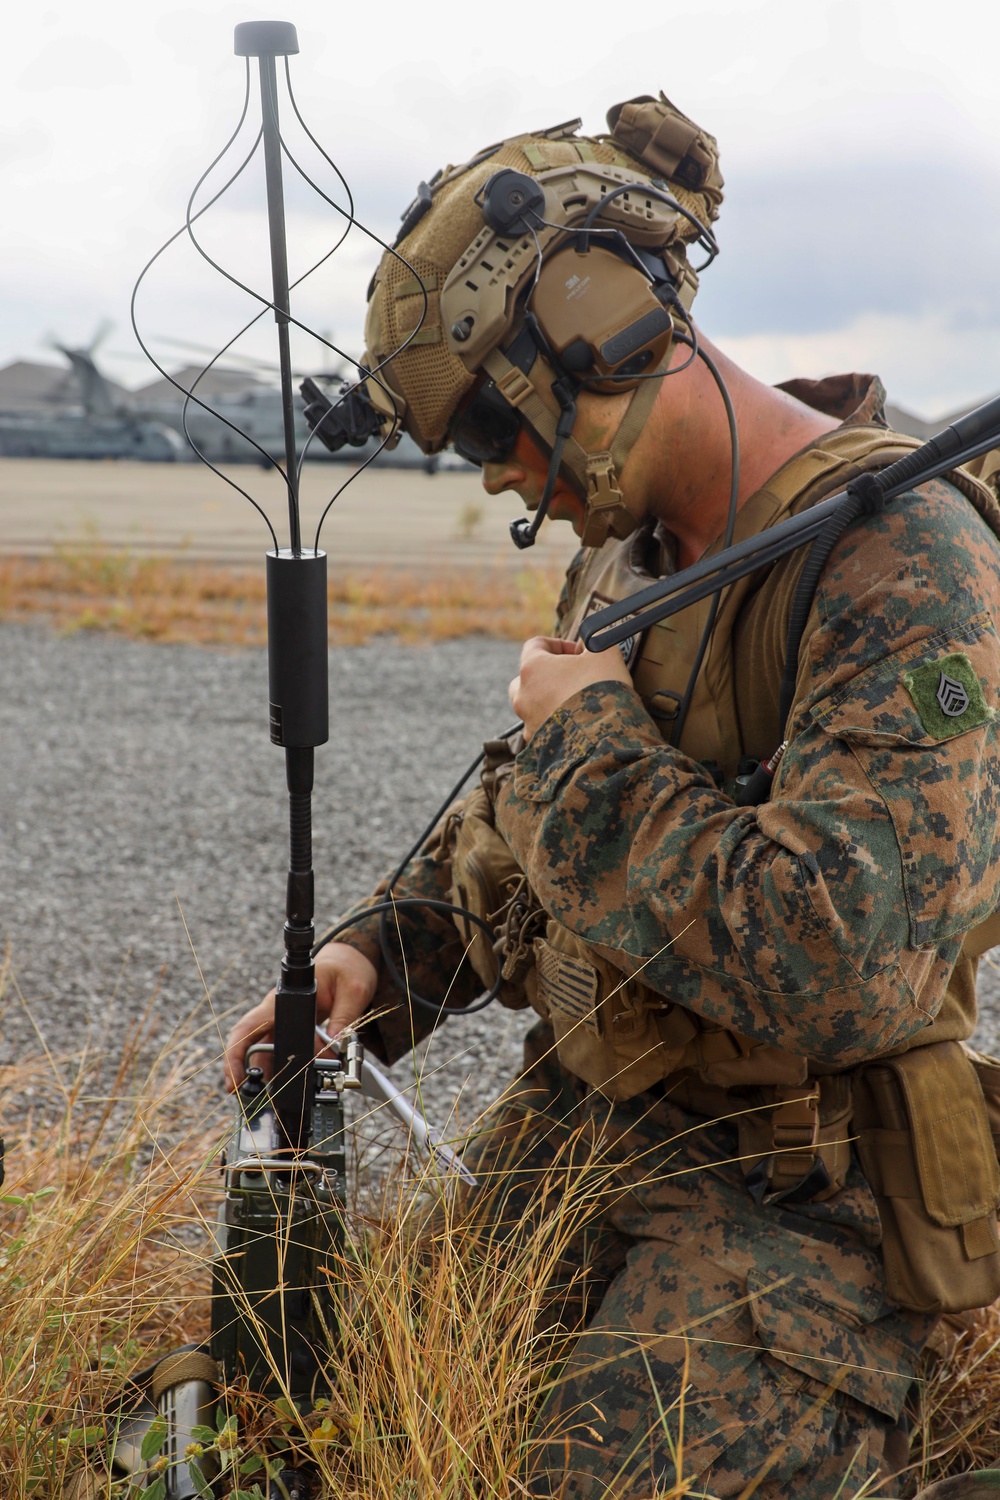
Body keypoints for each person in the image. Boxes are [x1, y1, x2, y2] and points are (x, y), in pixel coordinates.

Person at [225, 94, 1000, 1498]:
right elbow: (523, 830)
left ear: (594, 330)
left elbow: (852, 965)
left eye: (492, 437)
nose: (513, 489)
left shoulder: (905, 566)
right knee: (333, 1405)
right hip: (589, 1122)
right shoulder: (640, 556)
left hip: (793, 1194)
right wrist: (373, 963)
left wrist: (587, 743)